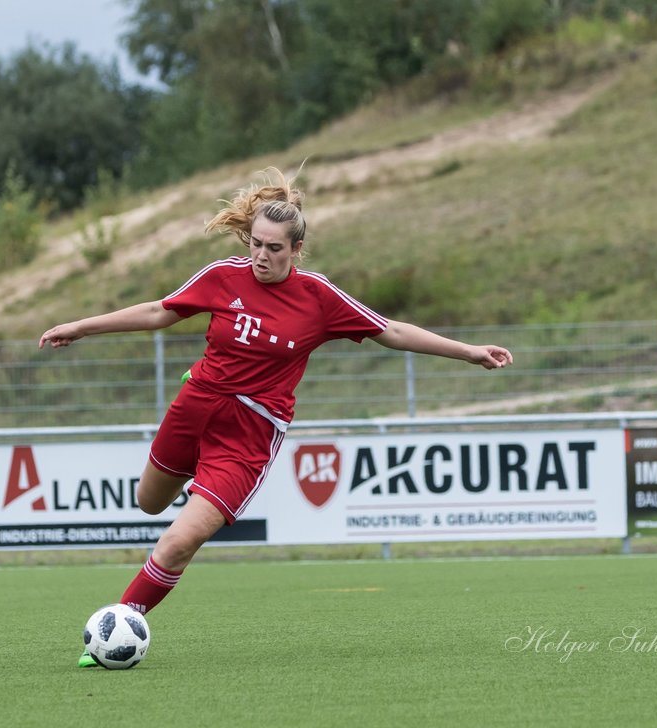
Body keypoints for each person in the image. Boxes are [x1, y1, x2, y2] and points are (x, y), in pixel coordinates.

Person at [38, 167, 512, 666]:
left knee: (179, 540)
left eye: (274, 249)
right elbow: (160, 311)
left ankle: (121, 624)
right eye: (256, 244)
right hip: (196, 405)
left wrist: (468, 352)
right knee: (148, 503)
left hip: (249, 433)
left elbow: (390, 331)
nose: (261, 256)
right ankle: (195, 466)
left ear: (296, 250)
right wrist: (81, 327)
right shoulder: (223, 276)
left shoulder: (318, 297)